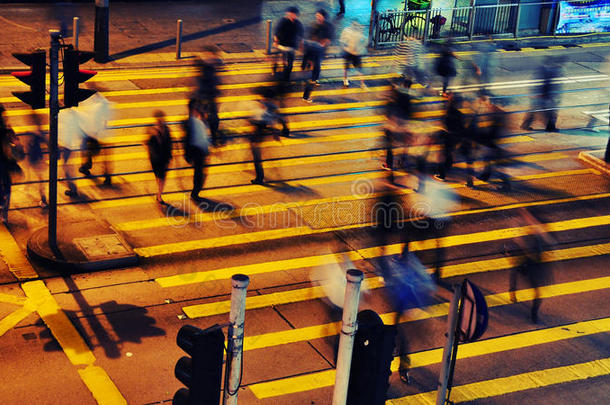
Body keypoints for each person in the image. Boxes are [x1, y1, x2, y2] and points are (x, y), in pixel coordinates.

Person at [509, 208, 554, 324]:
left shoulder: (537, 236)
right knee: (515, 271)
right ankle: (513, 291)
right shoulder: (532, 237)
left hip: (533, 267)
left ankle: (514, 292)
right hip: (528, 265)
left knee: (537, 291)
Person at [249, 87, 287, 184]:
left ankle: (259, 178)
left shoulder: (267, 108)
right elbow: (277, 119)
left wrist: (275, 134)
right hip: (260, 132)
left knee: (257, 157)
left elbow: (271, 121)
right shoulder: (271, 106)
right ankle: (259, 176)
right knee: (257, 156)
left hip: (258, 133)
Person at [521, 57, 561, 132]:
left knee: (534, 110)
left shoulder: (541, 69)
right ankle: (550, 127)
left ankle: (525, 125)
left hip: (539, 95)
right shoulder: (548, 71)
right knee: (551, 112)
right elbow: (547, 84)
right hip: (542, 95)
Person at [302, 9, 334, 103]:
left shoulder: (327, 26)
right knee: (311, 76)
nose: (317, 18)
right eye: (317, 16)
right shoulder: (313, 26)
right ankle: (305, 96)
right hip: (312, 54)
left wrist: (325, 43)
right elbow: (308, 39)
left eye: (319, 16)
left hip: (318, 53)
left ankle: (313, 80)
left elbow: (329, 38)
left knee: (316, 71)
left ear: (324, 17)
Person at [194, 47, 223, 146]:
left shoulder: (210, 66)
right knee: (205, 118)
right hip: (204, 96)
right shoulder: (203, 66)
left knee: (212, 118)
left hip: (209, 96)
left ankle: (212, 137)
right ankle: (206, 137)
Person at [184, 99, 211, 202]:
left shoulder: (200, 120)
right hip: (197, 151)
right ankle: (195, 193)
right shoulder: (191, 122)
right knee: (199, 173)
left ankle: (196, 191)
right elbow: (187, 139)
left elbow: (205, 135)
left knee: (200, 173)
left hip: (201, 151)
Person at [147, 110, 173, 205]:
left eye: (161, 119)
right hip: (156, 159)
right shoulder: (152, 130)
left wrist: (170, 156)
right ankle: (159, 194)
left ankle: (159, 195)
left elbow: (170, 143)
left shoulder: (166, 129)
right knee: (160, 177)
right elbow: (148, 144)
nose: (160, 121)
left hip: (164, 158)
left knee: (162, 177)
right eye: (159, 119)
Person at [273, 6, 304, 82]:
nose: (292, 15)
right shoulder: (282, 21)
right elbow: (276, 32)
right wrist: (276, 41)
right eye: (291, 14)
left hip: (292, 46)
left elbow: (301, 35)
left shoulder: (298, 23)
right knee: (283, 60)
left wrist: (301, 45)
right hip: (282, 45)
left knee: (290, 64)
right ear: (288, 13)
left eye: (294, 14)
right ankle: (276, 68)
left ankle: (286, 78)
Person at [25, 111, 48, 208]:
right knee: (39, 178)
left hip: (35, 158)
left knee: (40, 179)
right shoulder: (39, 132)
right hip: (37, 158)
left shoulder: (35, 133)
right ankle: (42, 198)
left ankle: (43, 199)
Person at [339, 21, 367, 88]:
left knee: (357, 69)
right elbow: (342, 40)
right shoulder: (347, 31)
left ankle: (361, 83)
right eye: (354, 24)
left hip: (354, 54)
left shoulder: (359, 32)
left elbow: (364, 41)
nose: (355, 26)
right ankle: (346, 80)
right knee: (348, 67)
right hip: (350, 53)